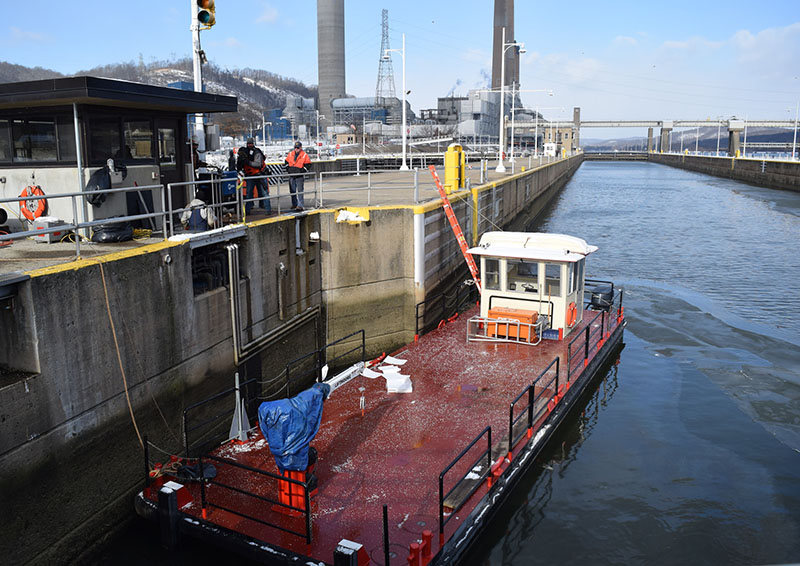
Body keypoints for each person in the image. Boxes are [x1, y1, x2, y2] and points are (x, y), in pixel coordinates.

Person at [236, 138, 269, 214]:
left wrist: (248, 162)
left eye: (251, 143)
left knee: (264, 193)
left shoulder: (256, 152)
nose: (249, 145)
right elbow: (239, 166)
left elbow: (258, 164)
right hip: (251, 175)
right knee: (249, 194)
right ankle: (247, 211)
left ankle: (268, 210)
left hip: (259, 174)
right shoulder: (245, 155)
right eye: (248, 144)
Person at [284, 141, 311, 211]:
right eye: (295, 148)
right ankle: (294, 204)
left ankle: (300, 205)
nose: (296, 149)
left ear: (301, 148)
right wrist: (288, 170)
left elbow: (308, 165)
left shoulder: (304, 155)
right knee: (292, 191)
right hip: (291, 175)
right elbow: (286, 162)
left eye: (298, 148)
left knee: (300, 191)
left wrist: (301, 171)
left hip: (299, 176)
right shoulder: (290, 154)